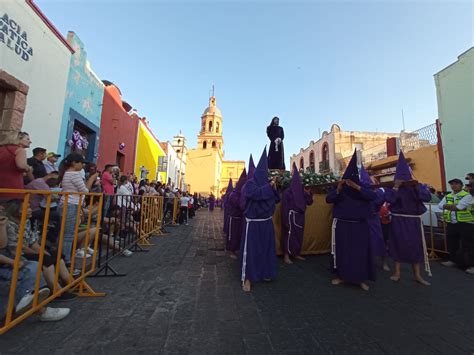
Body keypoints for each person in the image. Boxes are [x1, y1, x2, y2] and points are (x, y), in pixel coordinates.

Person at [326, 151, 377, 291]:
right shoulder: (340, 189)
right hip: (342, 226)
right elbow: (329, 199)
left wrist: (357, 188)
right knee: (342, 251)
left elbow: (373, 196)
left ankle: (360, 279)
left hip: (359, 227)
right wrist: (337, 189)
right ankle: (341, 276)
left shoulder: (363, 188)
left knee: (359, 253)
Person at [385, 151, 432, 286]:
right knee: (397, 244)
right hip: (398, 221)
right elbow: (389, 200)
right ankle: (397, 272)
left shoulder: (417, 186)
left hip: (413, 221)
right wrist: (396, 187)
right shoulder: (392, 188)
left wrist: (417, 187)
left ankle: (417, 274)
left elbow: (427, 197)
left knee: (415, 246)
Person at [240, 148, 280, 292]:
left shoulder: (268, 185)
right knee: (251, 251)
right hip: (253, 224)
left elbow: (276, 199)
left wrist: (274, 188)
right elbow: (254, 194)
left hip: (267, 222)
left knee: (267, 249)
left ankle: (266, 272)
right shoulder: (250, 184)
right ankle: (248, 278)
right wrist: (269, 187)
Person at [58, 153, 98, 264]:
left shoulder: (67, 173)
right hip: (71, 204)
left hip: (69, 204)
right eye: (81, 163)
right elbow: (85, 190)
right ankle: (66, 261)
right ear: (74, 163)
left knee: (66, 233)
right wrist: (92, 178)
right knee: (68, 234)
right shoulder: (74, 174)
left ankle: (64, 259)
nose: (83, 166)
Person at [438, 178, 473, 271]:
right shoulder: (448, 195)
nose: (454, 186)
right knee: (452, 243)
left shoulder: (467, 196)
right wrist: (451, 206)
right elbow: (440, 206)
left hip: (465, 223)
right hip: (451, 223)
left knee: (468, 245)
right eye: (452, 184)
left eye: (456, 184)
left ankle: (472, 265)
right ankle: (453, 260)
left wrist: (447, 206)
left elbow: (459, 208)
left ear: (461, 185)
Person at [281, 164, 313, 265]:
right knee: (288, 236)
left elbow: (309, 202)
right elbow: (284, 207)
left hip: (300, 217)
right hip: (290, 217)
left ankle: (296, 253)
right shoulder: (287, 193)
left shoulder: (302, 192)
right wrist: (285, 220)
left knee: (298, 236)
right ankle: (286, 255)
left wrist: (308, 194)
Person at [360, 166, 390, 271]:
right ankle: (365, 262)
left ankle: (384, 263)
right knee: (363, 242)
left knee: (379, 240)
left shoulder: (378, 192)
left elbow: (380, 201)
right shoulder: (360, 192)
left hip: (374, 219)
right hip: (363, 220)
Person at [0, 131, 34, 200]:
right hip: (13, 188)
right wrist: (28, 168)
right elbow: (21, 165)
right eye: (27, 139)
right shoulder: (20, 150)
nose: (30, 141)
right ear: (19, 139)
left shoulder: (2, 149)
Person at [226, 169, 247, 259]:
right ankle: (232, 251)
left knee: (239, 235)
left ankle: (237, 249)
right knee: (233, 235)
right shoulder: (233, 195)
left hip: (241, 218)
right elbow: (240, 205)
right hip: (234, 218)